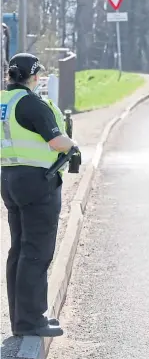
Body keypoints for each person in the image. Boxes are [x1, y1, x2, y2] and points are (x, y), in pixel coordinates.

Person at [1, 53, 78, 337]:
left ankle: (20, 320)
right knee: (37, 252)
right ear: (34, 77)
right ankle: (33, 320)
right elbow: (57, 141)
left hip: (9, 178)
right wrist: (74, 144)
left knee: (19, 250)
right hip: (37, 181)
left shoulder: (3, 102)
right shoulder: (31, 103)